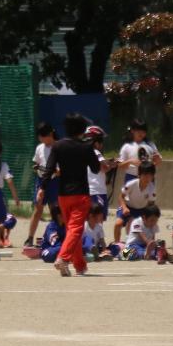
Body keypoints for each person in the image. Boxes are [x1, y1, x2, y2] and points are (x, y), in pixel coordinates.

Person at [49, 114, 98, 277]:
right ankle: (63, 258)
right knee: (76, 229)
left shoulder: (57, 145)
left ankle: (79, 266)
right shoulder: (86, 146)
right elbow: (96, 168)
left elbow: (49, 169)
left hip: (63, 195)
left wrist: (42, 186)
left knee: (72, 230)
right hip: (81, 194)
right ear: (82, 129)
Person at [28, 123, 58, 233]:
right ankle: (30, 238)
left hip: (54, 182)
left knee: (55, 210)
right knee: (37, 210)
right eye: (39, 136)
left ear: (50, 134)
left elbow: (60, 171)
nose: (40, 139)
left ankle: (58, 235)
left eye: (42, 136)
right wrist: (37, 167)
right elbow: (36, 163)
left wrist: (52, 171)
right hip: (41, 181)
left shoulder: (58, 146)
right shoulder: (39, 148)